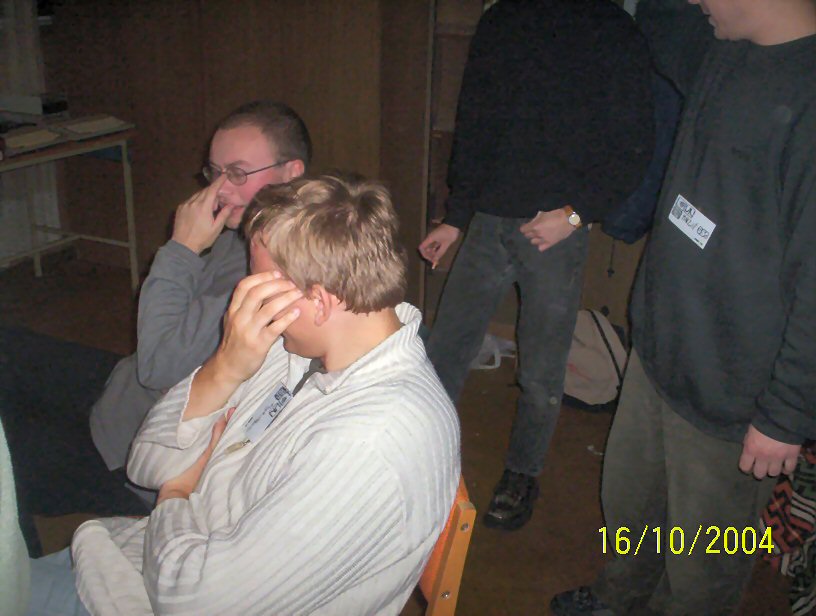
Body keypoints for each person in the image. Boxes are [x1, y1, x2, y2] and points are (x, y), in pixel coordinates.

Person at [33, 174, 460, 615]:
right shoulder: (296, 350)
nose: (244, 301)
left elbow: (193, 603)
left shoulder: (369, 444)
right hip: (126, 562)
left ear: (318, 302)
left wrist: (176, 495)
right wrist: (225, 367)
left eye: (258, 286)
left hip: (137, 594)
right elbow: (146, 462)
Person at [551, 0, 816, 613]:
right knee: (631, 513)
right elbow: (660, 20)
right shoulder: (723, 48)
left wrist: (786, 414)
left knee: (703, 567)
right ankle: (618, 599)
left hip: (735, 399)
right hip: (659, 357)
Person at [418, 0, 654, 530]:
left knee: (542, 370)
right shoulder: (502, 18)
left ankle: (522, 472)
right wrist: (456, 216)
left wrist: (575, 214)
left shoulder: (612, 28)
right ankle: (417, 451)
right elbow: (475, 122)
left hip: (556, 229)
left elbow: (634, 145)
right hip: (488, 217)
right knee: (444, 352)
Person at [90, 100, 311, 472]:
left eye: (238, 173)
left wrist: (182, 248)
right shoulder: (242, 234)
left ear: (292, 173)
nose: (220, 188)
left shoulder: (261, 270)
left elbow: (155, 368)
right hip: (126, 409)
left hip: (139, 455)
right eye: (215, 171)